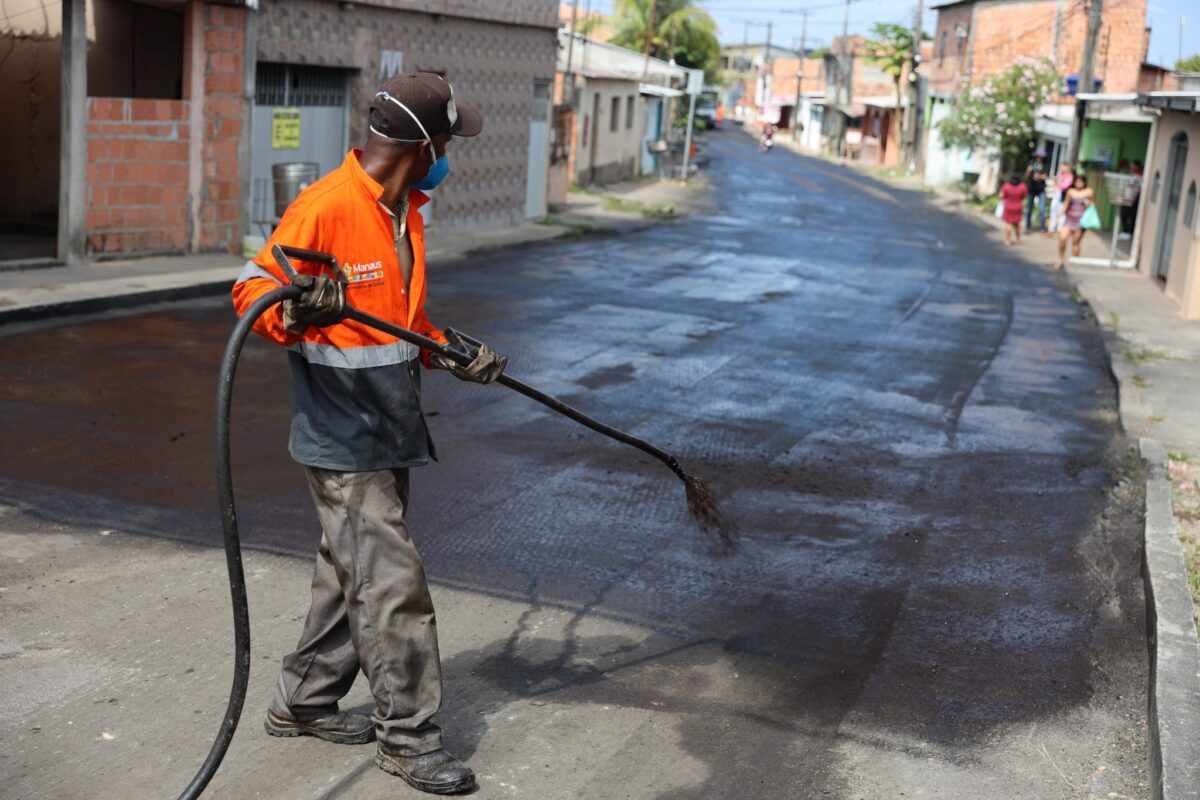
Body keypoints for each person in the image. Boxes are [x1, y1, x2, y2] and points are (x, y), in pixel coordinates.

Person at [231, 72, 504, 795]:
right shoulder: (328, 206)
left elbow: (395, 323)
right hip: (341, 432)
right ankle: (410, 740)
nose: (451, 152)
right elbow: (253, 287)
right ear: (427, 143)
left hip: (388, 421)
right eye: (448, 140)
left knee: (345, 571)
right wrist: (292, 310)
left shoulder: (402, 212)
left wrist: (447, 348)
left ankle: (303, 701)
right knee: (391, 585)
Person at [1056, 173, 1095, 268]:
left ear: (1084, 182)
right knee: (1062, 238)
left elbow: (1092, 205)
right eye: (1077, 181)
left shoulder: (1089, 192)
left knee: (1075, 243)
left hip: (1080, 221)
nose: (1079, 183)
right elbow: (1065, 204)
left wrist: (1088, 203)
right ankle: (1061, 259)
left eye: (1081, 181)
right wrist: (1058, 217)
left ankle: (1075, 261)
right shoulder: (1071, 191)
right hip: (1069, 219)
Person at [999, 171, 1028, 247]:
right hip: (1018, 207)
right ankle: (1018, 239)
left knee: (1008, 224)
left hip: (1008, 207)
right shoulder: (1022, 186)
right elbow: (1024, 196)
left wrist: (1006, 197)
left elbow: (1001, 196)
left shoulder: (1006, 186)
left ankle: (1007, 240)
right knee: (1017, 224)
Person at [1024, 150, 1048, 232]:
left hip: (1041, 190)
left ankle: (1042, 227)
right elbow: (1027, 176)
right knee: (1029, 208)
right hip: (1032, 189)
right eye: (1038, 156)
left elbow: (1045, 176)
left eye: (1040, 156)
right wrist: (1029, 171)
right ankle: (1028, 226)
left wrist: (1039, 176)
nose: (1039, 158)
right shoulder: (1032, 164)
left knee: (1042, 209)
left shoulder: (1045, 165)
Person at [1047, 162, 1073, 235]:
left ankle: (1060, 229)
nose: (1062, 168)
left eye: (1063, 167)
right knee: (1053, 211)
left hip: (1063, 196)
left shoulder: (1069, 176)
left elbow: (1065, 186)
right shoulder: (1060, 175)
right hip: (1056, 194)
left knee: (1061, 212)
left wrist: (1058, 183)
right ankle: (1051, 228)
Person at [1119, 161, 1143, 239]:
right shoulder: (1131, 175)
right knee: (1123, 214)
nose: (1132, 168)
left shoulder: (1140, 176)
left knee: (1132, 216)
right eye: (1131, 166)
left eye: (1133, 166)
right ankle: (1126, 231)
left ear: (1137, 167)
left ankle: (1129, 233)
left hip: (1133, 200)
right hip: (1126, 199)